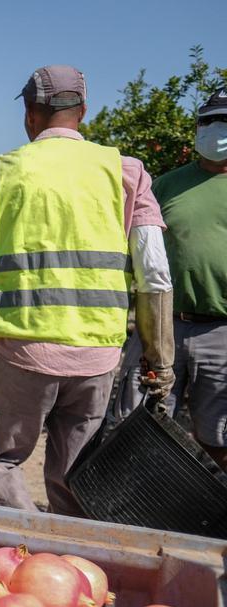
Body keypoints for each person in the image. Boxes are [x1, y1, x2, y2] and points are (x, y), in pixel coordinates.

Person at [0, 65, 175, 515]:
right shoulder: (126, 172)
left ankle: (32, 548)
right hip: (97, 353)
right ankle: (73, 562)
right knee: (77, 472)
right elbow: (154, 271)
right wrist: (159, 357)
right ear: (83, 112)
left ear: (29, 115)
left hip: (23, 351)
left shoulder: (3, 171)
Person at [115, 89, 227, 462]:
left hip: (222, 332)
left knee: (217, 437)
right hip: (162, 326)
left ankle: (211, 513)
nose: (215, 129)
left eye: (224, 121)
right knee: (136, 423)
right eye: (209, 121)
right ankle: (131, 513)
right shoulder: (165, 185)